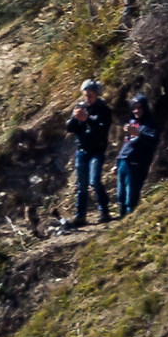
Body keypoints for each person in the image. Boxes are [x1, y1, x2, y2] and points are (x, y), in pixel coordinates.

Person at [64, 79, 115, 227]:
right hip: (82, 150)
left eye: (90, 95)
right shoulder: (80, 107)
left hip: (96, 151)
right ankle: (81, 216)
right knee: (82, 185)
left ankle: (104, 211)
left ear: (97, 95)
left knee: (95, 181)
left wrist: (87, 119)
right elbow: (70, 128)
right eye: (86, 95)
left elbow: (101, 129)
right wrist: (74, 118)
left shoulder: (103, 110)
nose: (88, 98)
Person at [116, 95, 159, 217]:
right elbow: (126, 144)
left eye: (139, 108)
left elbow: (153, 140)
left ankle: (129, 221)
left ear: (145, 108)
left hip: (137, 164)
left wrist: (138, 134)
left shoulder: (151, 124)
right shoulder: (131, 122)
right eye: (134, 108)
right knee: (120, 195)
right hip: (123, 161)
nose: (136, 111)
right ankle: (121, 220)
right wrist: (117, 162)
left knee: (131, 196)